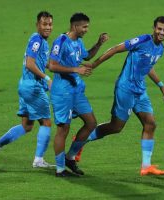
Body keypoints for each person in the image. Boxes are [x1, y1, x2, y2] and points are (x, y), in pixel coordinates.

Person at [75, 16, 164, 176]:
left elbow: (147, 67)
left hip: (140, 91)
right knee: (116, 127)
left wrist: (161, 85)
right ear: (154, 28)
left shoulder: (160, 49)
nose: (161, 32)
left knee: (150, 124)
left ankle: (146, 166)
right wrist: (94, 64)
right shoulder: (142, 40)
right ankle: (81, 140)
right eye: (159, 28)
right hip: (125, 89)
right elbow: (115, 49)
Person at [0, 11, 54, 169]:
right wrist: (46, 78)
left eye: (50, 24)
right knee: (46, 122)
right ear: (37, 25)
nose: (48, 27)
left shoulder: (39, 40)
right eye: (44, 24)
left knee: (27, 125)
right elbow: (30, 63)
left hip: (24, 86)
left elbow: (41, 62)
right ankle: (38, 160)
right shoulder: (37, 40)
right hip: (33, 87)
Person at [48, 12, 108, 177]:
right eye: (84, 27)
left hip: (77, 91)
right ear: (75, 26)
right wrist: (76, 69)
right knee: (63, 129)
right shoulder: (61, 41)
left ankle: (70, 157)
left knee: (91, 123)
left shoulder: (78, 41)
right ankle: (60, 169)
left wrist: (98, 43)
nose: (86, 30)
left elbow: (86, 55)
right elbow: (51, 66)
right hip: (63, 92)